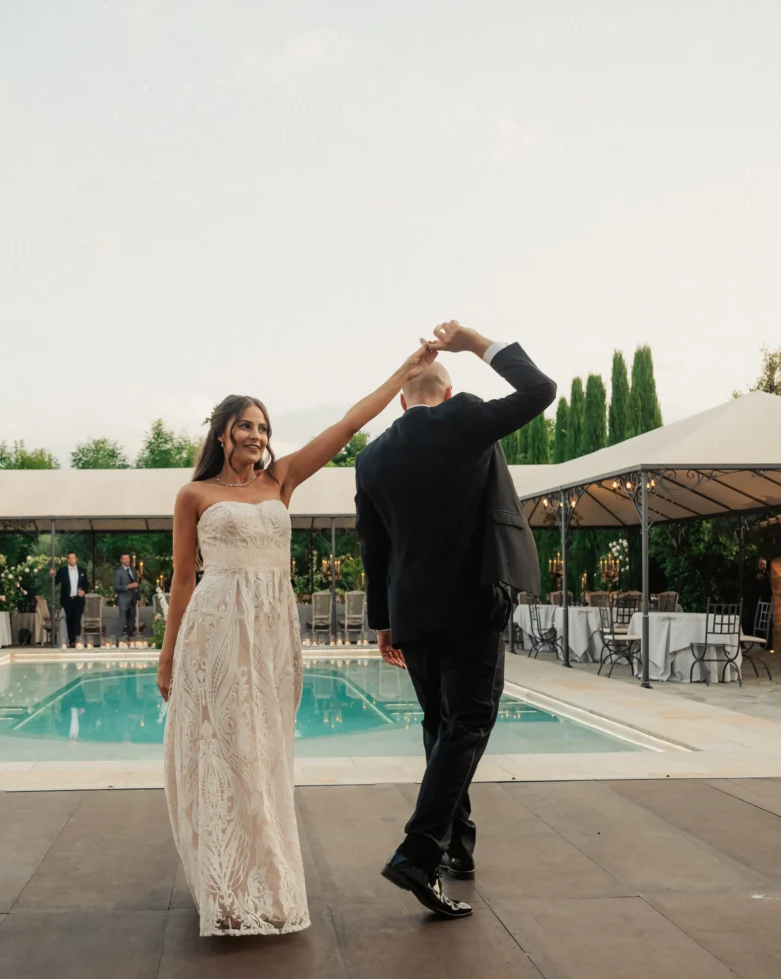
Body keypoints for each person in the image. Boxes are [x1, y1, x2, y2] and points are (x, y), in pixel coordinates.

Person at [159, 338, 440, 937]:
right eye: (245, 426)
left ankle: (268, 879)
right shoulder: (194, 496)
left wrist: (403, 373)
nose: (257, 436)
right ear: (222, 434)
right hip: (214, 630)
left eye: (263, 427)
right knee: (224, 754)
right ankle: (225, 887)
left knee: (265, 753)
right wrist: (167, 657)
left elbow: (347, 426)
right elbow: (184, 581)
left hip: (269, 630)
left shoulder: (281, 481)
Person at [355, 319, 555, 918]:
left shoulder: (372, 458)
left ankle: (456, 848)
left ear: (400, 400)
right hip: (472, 603)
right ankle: (419, 851)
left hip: (412, 614)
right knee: (467, 724)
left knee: (440, 726)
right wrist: (474, 342)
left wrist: (384, 622)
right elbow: (539, 391)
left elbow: (374, 547)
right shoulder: (464, 418)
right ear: (445, 394)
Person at [50, 553, 88, 648]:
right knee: (70, 620)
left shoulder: (82, 571)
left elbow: (87, 584)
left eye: (73, 558)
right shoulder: (62, 571)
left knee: (77, 619)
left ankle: (77, 641)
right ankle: (72, 641)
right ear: (67, 560)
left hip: (78, 599)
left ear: (76, 559)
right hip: (67, 600)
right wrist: (52, 576)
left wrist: (84, 591)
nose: (71, 560)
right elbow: (55, 583)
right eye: (70, 558)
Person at [114, 554, 140, 644]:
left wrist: (138, 598)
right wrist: (128, 586)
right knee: (122, 619)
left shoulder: (133, 570)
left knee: (132, 619)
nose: (127, 560)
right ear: (121, 560)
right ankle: (119, 640)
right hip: (123, 599)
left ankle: (130, 639)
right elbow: (116, 587)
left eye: (128, 559)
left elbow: (136, 585)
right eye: (124, 559)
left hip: (133, 598)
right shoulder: (118, 571)